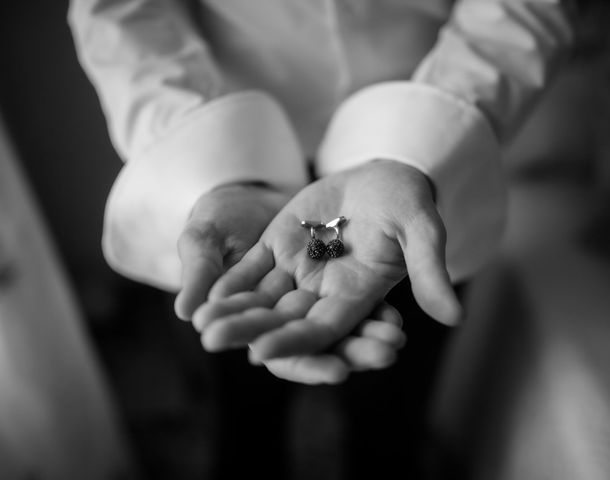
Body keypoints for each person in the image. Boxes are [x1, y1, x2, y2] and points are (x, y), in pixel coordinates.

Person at [69, 1, 574, 478]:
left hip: (418, 158)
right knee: (245, 411)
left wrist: (413, 146)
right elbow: (119, 12)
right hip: (232, 148)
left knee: (391, 420)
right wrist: (214, 165)